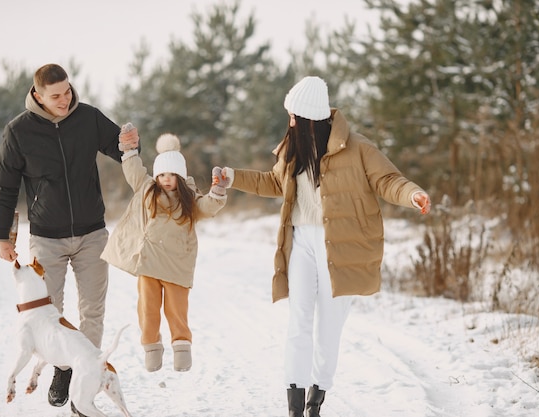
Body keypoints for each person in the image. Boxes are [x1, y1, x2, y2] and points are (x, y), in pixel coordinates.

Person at [215, 76, 431, 417]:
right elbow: (274, 182)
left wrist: (412, 194)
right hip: (301, 240)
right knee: (299, 318)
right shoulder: (293, 149)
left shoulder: (357, 148)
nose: (288, 121)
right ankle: (295, 407)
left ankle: (317, 399)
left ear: (307, 119)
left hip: (342, 247)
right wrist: (233, 176)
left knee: (328, 327)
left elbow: (388, 180)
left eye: (292, 115)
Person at [0, 63, 139, 410]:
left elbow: (123, 149)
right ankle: (63, 367)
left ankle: (80, 374)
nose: (64, 99)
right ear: (38, 95)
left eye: (68, 91)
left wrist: (133, 144)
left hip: (91, 232)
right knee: (49, 312)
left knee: (92, 311)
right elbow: (6, 187)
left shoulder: (88, 118)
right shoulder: (19, 132)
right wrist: (2, 235)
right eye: (55, 95)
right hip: (46, 237)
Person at [101, 132, 228, 373]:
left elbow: (208, 207)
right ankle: (151, 348)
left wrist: (217, 192)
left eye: (171, 174)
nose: (165, 179)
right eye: (161, 174)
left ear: (180, 176)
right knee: (147, 309)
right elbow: (134, 171)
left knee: (176, 310)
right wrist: (129, 151)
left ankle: (181, 350)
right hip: (148, 264)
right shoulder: (147, 189)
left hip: (176, 266)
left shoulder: (190, 199)